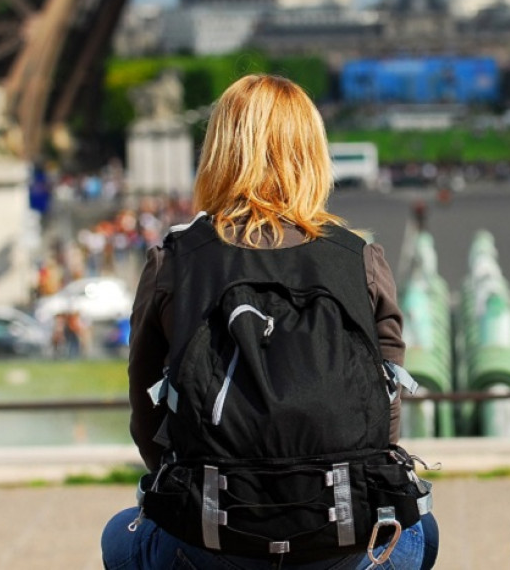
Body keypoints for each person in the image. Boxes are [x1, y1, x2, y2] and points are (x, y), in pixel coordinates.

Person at [103, 74, 438, 570]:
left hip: (212, 537)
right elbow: (383, 419)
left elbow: (146, 417)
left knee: (119, 537)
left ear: (219, 151)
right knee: (421, 531)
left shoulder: (173, 261)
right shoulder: (361, 259)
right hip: (343, 539)